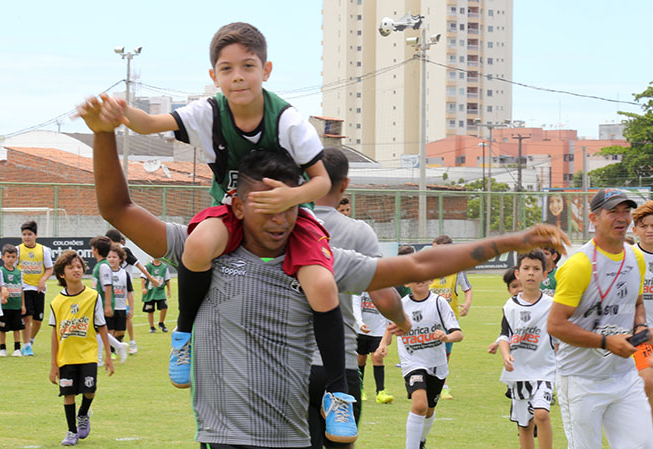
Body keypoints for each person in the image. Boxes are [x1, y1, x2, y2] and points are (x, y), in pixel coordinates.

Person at [84, 124, 568, 448]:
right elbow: (118, 209)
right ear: (236, 206)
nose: (280, 220)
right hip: (224, 434)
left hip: (294, 435)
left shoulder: (321, 259)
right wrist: (104, 131)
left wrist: (511, 239)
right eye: (265, 208)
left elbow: (419, 265)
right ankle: (181, 338)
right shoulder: (203, 248)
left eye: (290, 206)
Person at [79, 24, 352, 416]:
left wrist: (288, 198)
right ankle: (184, 332)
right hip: (231, 212)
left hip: (290, 216)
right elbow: (150, 125)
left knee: (323, 285)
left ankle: (338, 391)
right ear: (214, 76)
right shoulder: (208, 113)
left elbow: (321, 181)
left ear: (266, 69)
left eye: (248, 66)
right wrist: (119, 114)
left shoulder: (289, 122)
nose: (238, 76)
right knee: (198, 245)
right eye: (227, 69)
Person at [307, 147, 409, 448]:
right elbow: (382, 295)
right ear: (345, 185)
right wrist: (403, 321)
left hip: (291, 364)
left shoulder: (287, 228)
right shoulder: (359, 232)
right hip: (341, 362)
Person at [548, 188, 653, 448]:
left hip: (624, 376)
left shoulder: (636, 258)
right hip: (582, 379)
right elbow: (555, 325)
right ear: (593, 219)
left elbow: (637, 302)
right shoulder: (578, 265)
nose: (622, 217)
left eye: (626, 211)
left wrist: (640, 324)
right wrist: (605, 342)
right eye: (613, 211)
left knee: (641, 444)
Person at [379, 279, 462, 449]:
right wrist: (382, 345)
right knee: (419, 405)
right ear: (407, 283)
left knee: (429, 409)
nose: (420, 280)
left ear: (431, 279)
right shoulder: (401, 305)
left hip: (436, 364)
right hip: (412, 362)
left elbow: (458, 333)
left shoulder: (439, 303)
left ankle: (421, 441)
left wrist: (447, 337)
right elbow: (390, 329)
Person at [48, 250, 114, 446]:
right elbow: (54, 334)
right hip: (66, 357)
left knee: (89, 390)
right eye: (71, 267)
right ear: (62, 274)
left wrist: (108, 356)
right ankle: (71, 431)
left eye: (79, 267)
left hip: (88, 355)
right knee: (68, 394)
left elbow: (101, 326)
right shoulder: (56, 302)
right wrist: (53, 364)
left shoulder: (93, 296)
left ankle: (83, 413)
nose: (76, 270)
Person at [498, 250, 555, 449]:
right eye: (526, 268)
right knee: (525, 425)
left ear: (545, 274)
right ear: (518, 274)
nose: (531, 273)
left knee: (541, 413)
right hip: (519, 372)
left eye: (536, 269)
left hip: (545, 370)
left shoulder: (552, 305)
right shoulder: (510, 306)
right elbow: (504, 336)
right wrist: (506, 355)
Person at [428, 234, 473, 399]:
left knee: (444, 355)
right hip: (429, 319)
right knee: (426, 351)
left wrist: (467, 303)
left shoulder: (456, 269)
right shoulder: (427, 268)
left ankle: (443, 385)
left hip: (449, 320)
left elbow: (467, 289)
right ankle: (424, 382)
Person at [105, 229, 158, 355]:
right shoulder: (110, 253)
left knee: (126, 317)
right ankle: (114, 346)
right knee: (111, 318)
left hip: (124, 290)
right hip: (112, 289)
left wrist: (150, 278)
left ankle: (132, 343)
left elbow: (138, 265)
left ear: (111, 240)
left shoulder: (124, 251)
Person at [90, 236, 129, 364]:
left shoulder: (104, 267)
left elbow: (107, 286)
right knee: (99, 330)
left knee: (99, 329)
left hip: (102, 303)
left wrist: (107, 305)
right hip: (98, 302)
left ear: (95, 250)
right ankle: (119, 346)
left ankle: (100, 359)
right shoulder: (100, 265)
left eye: (92, 248)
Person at [17, 220, 54, 356]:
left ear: (36, 235)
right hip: (24, 289)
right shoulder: (18, 250)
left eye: (29, 234)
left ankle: (30, 340)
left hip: (38, 289)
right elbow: (13, 268)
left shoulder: (43, 250)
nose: (26, 237)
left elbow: (49, 269)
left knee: (38, 320)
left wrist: (42, 280)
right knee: (27, 317)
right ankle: (26, 345)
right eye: (24, 234)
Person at [632, 200, 653, 420]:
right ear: (635, 229)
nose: (649, 230)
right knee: (647, 381)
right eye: (644, 226)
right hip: (640, 333)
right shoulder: (628, 257)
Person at [0, 244, 26, 357]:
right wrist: (1, 298)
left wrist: (23, 305)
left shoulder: (19, 273)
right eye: (8, 256)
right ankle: (2, 349)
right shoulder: (0, 271)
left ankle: (17, 349)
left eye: (13, 257)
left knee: (16, 328)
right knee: (2, 329)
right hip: (4, 307)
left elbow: (21, 289)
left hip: (16, 306)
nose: (10, 259)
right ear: (3, 257)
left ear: (16, 258)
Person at [487, 266, 523, 355]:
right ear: (509, 290)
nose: (520, 289)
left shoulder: (544, 304)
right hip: (517, 354)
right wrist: (497, 342)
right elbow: (505, 331)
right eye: (514, 286)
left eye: (522, 284)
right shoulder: (509, 307)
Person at [107, 243, 132, 363]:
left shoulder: (124, 274)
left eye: (114, 257)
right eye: (109, 257)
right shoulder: (105, 272)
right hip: (109, 307)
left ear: (120, 259)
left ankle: (118, 345)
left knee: (121, 331)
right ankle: (111, 352)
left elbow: (130, 292)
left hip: (122, 306)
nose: (111, 259)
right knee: (110, 331)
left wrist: (131, 308)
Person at [140, 258, 170, 334]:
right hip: (150, 292)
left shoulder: (164, 267)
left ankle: (161, 323)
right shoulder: (148, 266)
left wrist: (169, 290)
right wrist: (143, 288)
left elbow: (167, 280)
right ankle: (152, 327)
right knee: (150, 310)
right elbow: (143, 278)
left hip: (160, 292)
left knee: (164, 307)